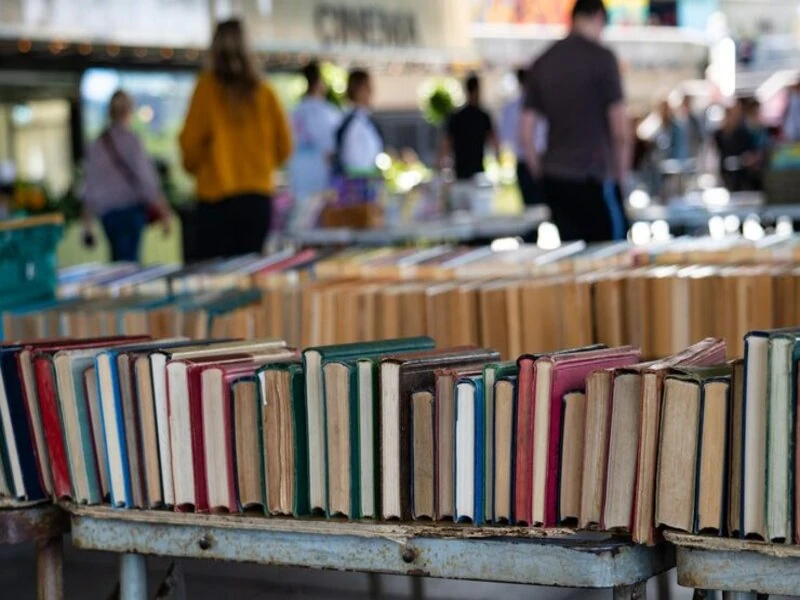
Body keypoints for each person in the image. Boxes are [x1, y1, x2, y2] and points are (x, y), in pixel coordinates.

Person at [180, 19, 292, 259]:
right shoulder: (264, 91)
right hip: (257, 198)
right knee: (249, 274)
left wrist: (203, 166)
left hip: (215, 199)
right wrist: (260, 166)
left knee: (215, 281)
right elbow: (285, 146)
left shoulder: (206, 89)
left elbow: (189, 147)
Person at [521, 0, 630, 242]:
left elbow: (526, 134)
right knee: (609, 263)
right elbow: (620, 130)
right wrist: (621, 179)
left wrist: (541, 177)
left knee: (572, 261)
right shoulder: (602, 58)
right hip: (594, 177)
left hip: (555, 177)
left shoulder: (543, 61)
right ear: (597, 16)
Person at [82, 90, 169, 263]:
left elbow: (90, 185)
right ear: (129, 110)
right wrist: (164, 211)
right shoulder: (132, 140)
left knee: (118, 262)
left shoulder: (98, 144)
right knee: (130, 264)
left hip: (108, 214)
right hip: (130, 211)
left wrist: (87, 222)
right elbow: (147, 181)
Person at [287, 60, 341, 228]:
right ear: (319, 83)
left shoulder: (293, 113)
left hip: (297, 183)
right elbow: (331, 152)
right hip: (321, 186)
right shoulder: (328, 113)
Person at [499, 67, 547, 206]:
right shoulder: (539, 104)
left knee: (533, 208)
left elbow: (506, 138)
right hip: (537, 160)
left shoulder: (510, 108)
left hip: (528, 162)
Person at [440, 74, 500, 182]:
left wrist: (442, 165)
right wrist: (498, 159)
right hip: (475, 171)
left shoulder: (456, 116)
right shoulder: (482, 116)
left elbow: (446, 143)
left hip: (461, 171)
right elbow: (493, 141)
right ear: (477, 90)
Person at [334, 69, 384, 175]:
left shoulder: (364, 119)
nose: (371, 92)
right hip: (356, 183)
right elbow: (351, 157)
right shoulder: (351, 121)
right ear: (358, 90)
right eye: (367, 87)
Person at [714, 103, 757, 192]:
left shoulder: (743, 133)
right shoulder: (718, 134)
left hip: (741, 173)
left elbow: (751, 151)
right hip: (725, 172)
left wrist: (748, 158)